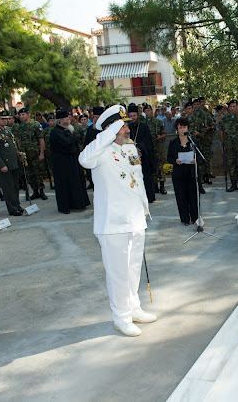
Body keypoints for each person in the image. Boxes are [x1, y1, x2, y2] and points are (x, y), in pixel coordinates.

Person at [78, 105, 156, 337]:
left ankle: (133, 308)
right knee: (118, 273)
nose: (126, 130)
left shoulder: (130, 149)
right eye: (121, 126)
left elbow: (138, 180)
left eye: (125, 125)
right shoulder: (99, 152)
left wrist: (144, 209)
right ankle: (121, 317)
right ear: (110, 129)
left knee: (132, 269)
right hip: (113, 224)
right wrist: (106, 134)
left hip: (135, 218)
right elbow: (83, 159)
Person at [50, 109, 90, 214]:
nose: (69, 120)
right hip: (62, 164)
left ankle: (77, 204)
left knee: (75, 183)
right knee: (64, 185)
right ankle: (66, 206)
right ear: (61, 121)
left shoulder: (67, 130)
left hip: (72, 162)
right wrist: (69, 134)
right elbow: (67, 144)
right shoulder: (56, 132)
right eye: (67, 118)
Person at [0, 111, 24, 215]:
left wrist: (18, 154)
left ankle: (17, 205)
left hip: (13, 162)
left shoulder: (7, 131)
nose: (5, 121)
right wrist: (1, 165)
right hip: (5, 164)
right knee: (8, 187)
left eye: (6, 119)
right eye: (2, 119)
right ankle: (12, 208)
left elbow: (13, 146)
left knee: (15, 186)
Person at [167, 118, 199, 225]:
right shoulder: (173, 143)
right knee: (181, 197)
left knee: (193, 196)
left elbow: (199, 155)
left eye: (184, 127)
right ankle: (185, 219)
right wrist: (175, 160)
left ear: (188, 128)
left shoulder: (193, 142)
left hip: (191, 172)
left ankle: (195, 218)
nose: (182, 130)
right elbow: (169, 158)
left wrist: (195, 159)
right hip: (178, 173)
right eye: (180, 127)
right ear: (177, 129)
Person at [11, 108, 47, 200]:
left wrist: (42, 153)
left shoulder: (35, 125)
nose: (21, 116)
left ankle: (41, 191)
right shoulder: (19, 127)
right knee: (29, 174)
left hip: (35, 153)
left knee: (38, 173)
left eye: (23, 114)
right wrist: (19, 152)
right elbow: (18, 140)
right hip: (25, 155)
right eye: (20, 115)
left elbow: (41, 140)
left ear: (28, 114)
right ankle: (34, 191)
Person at [127, 104, 156, 203]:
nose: (132, 118)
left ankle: (149, 196)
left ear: (137, 116)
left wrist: (139, 148)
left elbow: (147, 140)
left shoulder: (144, 127)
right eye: (130, 116)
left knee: (146, 176)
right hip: (130, 156)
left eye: (134, 116)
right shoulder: (126, 128)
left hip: (143, 156)